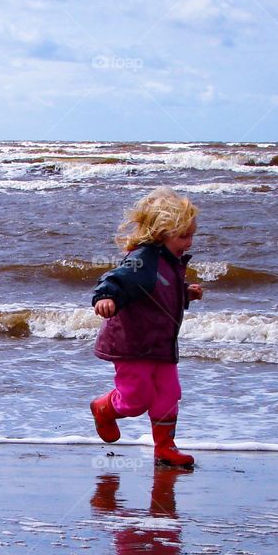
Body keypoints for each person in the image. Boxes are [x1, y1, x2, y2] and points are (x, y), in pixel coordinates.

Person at [89, 188, 203, 467]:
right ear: (162, 233)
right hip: (133, 344)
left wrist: (186, 293)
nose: (189, 243)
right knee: (136, 400)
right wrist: (105, 297)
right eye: (183, 236)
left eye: (192, 235)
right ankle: (103, 408)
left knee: (169, 394)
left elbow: (159, 293)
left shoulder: (171, 261)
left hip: (162, 345)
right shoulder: (143, 259)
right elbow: (115, 279)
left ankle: (165, 447)